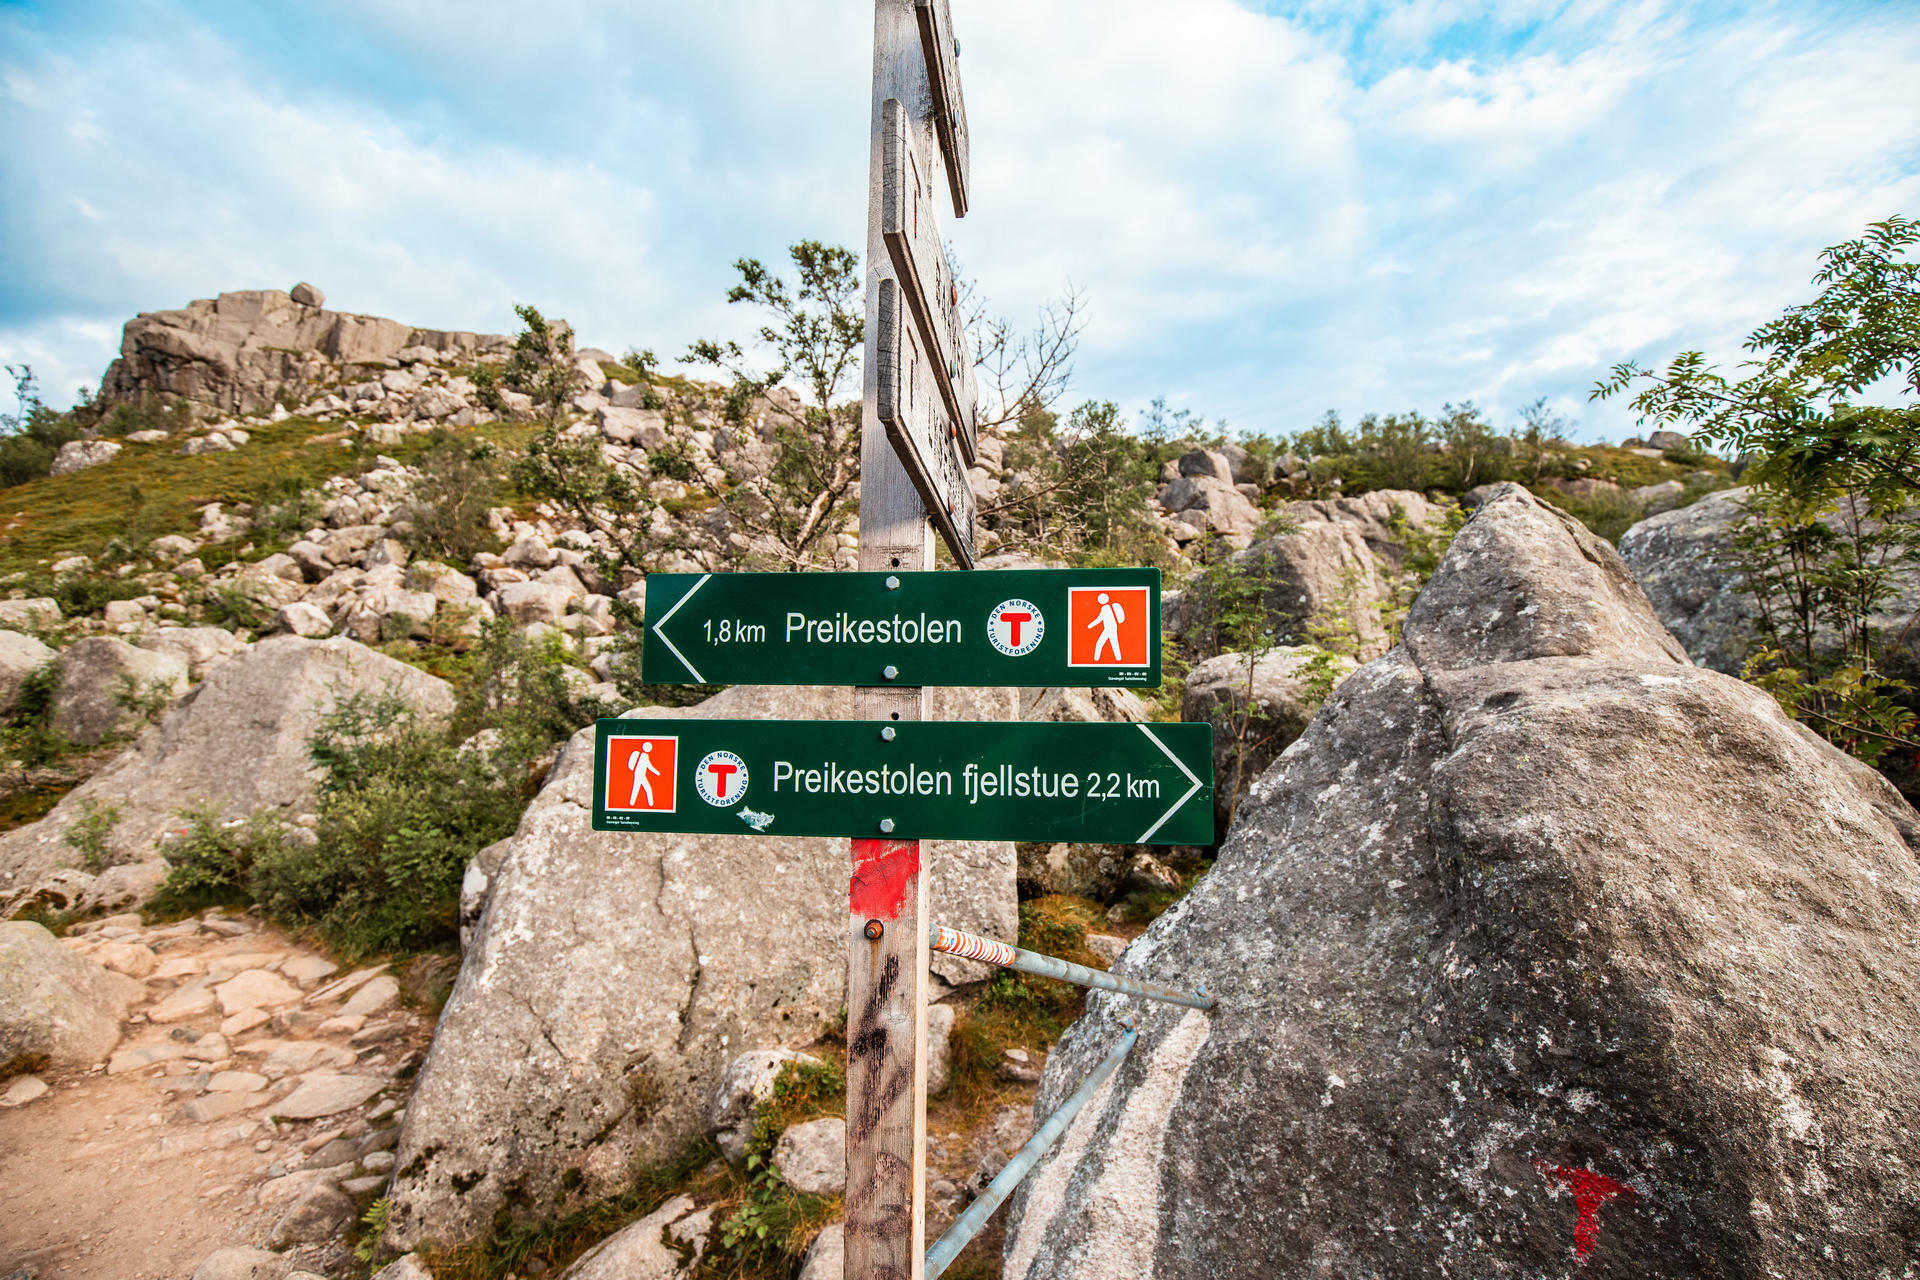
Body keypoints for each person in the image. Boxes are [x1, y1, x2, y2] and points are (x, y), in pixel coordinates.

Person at [1089, 591, 1125, 662]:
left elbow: (1099, 619)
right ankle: (1118, 658)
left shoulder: (1105, 608)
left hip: (1108, 628)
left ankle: (1096, 659)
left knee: (1100, 643)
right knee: (1114, 642)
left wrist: (1089, 626)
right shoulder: (1115, 605)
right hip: (1114, 627)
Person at [630, 742, 660, 807]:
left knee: (636, 788)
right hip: (641, 775)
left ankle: (631, 803)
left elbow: (630, 765)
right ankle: (651, 804)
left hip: (637, 774)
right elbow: (650, 767)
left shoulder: (637, 754)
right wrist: (658, 773)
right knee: (647, 789)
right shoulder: (645, 756)